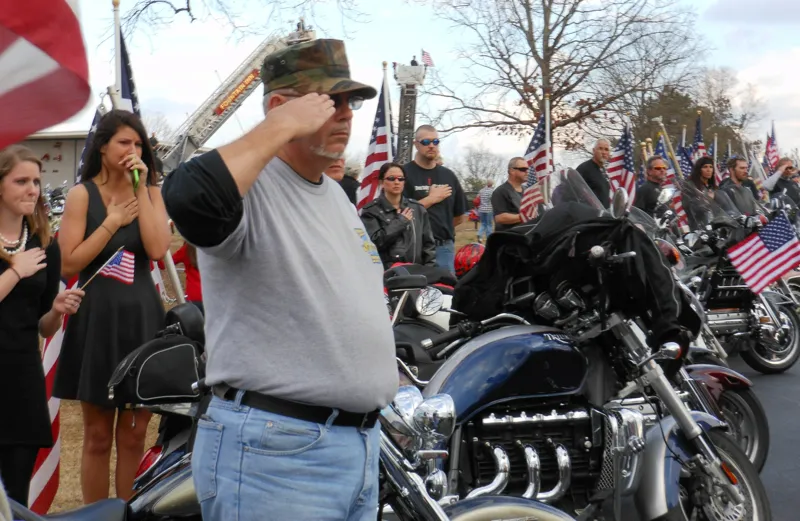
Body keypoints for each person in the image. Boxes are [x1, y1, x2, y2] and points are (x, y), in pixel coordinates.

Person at [161, 39, 398, 521]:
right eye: (328, 101)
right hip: (278, 455)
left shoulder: (334, 195)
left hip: (356, 448)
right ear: (278, 108)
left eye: (350, 102)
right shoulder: (251, 185)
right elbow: (187, 196)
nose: (345, 114)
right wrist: (278, 126)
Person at [53, 110, 171, 504]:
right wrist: (112, 221)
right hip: (96, 321)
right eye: (124, 142)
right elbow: (69, 262)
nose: (132, 151)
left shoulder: (152, 193)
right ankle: (96, 515)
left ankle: (128, 513)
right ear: (102, 147)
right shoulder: (81, 195)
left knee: (135, 435)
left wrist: (141, 190)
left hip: (141, 321)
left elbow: (156, 250)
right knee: (99, 435)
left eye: (138, 145)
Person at [0, 146, 84, 506]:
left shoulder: (46, 247)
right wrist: (15, 270)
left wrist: (57, 310)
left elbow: (44, 328)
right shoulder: (22, 259)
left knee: (16, 495)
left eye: (36, 181)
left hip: (21, 379)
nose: (32, 189)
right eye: (21, 181)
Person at [403, 126, 467, 273]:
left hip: (443, 249)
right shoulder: (403, 174)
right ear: (416, 144)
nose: (431, 145)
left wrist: (441, 232)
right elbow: (399, 213)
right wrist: (431, 199)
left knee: (445, 293)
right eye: (425, 142)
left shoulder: (448, 176)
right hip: (413, 247)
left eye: (435, 141)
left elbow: (459, 216)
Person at [361, 162, 435, 267]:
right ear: (382, 182)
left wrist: (429, 270)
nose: (397, 182)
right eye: (391, 178)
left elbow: (428, 245)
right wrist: (400, 222)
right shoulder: (371, 210)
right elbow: (373, 243)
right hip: (386, 274)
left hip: (416, 273)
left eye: (400, 179)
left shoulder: (417, 208)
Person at [492, 157, 528, 231]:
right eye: (523, 169)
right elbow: (500, 218)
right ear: (512, 171)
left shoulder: (528, 190)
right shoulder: (500, 191)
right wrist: (525, 216)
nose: (527, 172)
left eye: (528, 169)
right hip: (509, 238)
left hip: (526, 237)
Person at [577, 139, 611, 208]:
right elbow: (573, 191)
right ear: (593, 151)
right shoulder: (584, 169)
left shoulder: (604, 172)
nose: (603, 152)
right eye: (600, 149)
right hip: (590, 215)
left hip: (605, 215)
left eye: (606, 149)